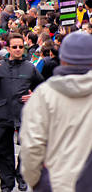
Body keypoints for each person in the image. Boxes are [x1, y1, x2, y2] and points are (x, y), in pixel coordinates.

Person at [20, 31, 92, 191]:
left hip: (55, 182)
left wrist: (36, 181)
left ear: (63, 59)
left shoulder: (45, 95)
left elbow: (32, 146)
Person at [0, 33, 44, 192]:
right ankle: (7, 183)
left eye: (21, 46)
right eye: (14, 47)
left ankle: (22, 176)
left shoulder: (30, 67)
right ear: (8, 48)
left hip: (24, 114)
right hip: (4, 112)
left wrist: (34, 95)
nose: (18, 49)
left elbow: (43, 87)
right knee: (3, 151)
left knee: (28, 147)